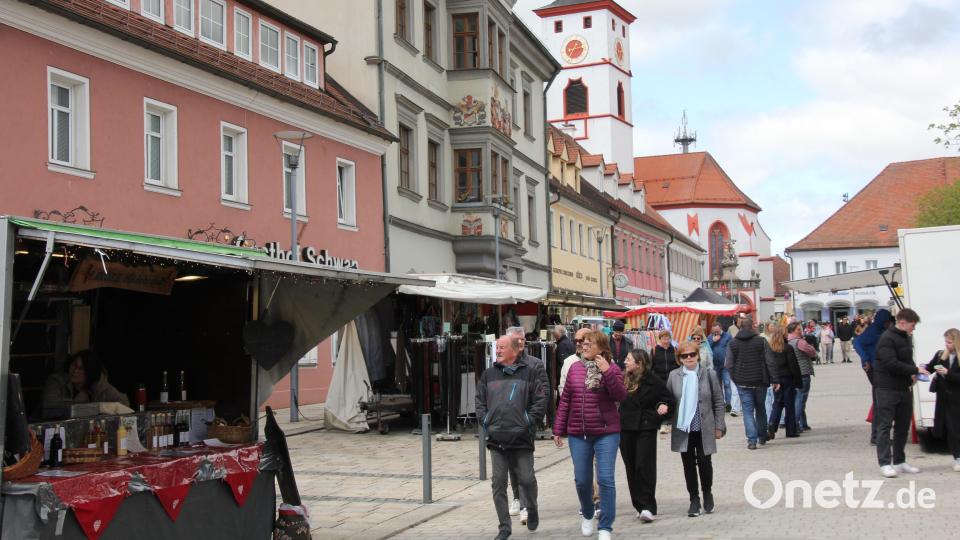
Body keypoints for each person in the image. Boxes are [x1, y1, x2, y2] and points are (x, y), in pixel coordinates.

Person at [553, 331, 627, 540]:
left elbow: (620, 395)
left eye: (588, 344)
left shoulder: (612, 368)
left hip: (606, 432)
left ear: (601, 348)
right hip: (579, 433)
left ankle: (605, 526)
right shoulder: (575, 368)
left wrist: (607, 372)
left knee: (605, 479)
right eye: (582, 344)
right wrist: (558, 429)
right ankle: (587, 513)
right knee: (582, 480)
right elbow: (566, 401)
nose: (583, 346)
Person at [476, 335, 547, 539]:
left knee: (527, 479)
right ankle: (504, 528)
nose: (497, 350)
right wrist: (486, 421)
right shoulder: (488, 374)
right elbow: (479, 401)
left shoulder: (529, 373)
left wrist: (527, 421)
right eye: (496, 347)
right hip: (496, 438)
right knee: (498, 483)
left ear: (515, 351)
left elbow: (540, 401)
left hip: (521, 437)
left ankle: (531, 508)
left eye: (502, 347)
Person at [666, 340, 726, 517]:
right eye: (684, 355)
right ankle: (694, 499)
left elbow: (719, 401)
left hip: (704, 427)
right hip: (683, 428)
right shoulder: (674, 376)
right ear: (679, 358)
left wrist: (719, 426)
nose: (689, 358)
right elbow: (668, 400)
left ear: (698, 355)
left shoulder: (709, 374)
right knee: (688, 464)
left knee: (705, 462)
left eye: (692, 354)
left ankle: (707, 492)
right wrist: (664, 417)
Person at [619, 349, 673, 523]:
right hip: (625, 428)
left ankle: (648, 506)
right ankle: (638, 505)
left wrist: (662, 409)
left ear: (639, 363)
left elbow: (668, 400)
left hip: (645, 427)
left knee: (644, 466)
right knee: (631, 467)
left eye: (628, 359)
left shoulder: (653, 380)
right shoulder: (622, 379)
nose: (625, 362)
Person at [874, 308, 929, 478]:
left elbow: (907, 359)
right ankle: (885, 463)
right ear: (903, 323)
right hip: (887, 388)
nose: (914, 329)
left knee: (902, 426)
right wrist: (914, 369)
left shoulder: (905, 337)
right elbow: (890, 363)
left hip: (904, 387)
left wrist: (913, 374)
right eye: (912, 325)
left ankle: (899, 461)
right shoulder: (887, 338)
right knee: (884, 426)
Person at [504, 327, 549, 524]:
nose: (520, 342)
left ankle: (526, 505)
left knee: (525, 467)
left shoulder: (535, 363)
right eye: (516, 339)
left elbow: (544, 392)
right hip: (506, 423)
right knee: (511, 463)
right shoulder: (502, 363)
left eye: (522, 339)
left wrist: (532, 417)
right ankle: (516, 497)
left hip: (525, 422)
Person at [725, 317, 779, 449]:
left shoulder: (733, 343)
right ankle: (762, 436)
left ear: (740, 327)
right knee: (760, 409)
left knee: (747, 411)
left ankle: (751, 440)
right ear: (753, 326)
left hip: (742, 381)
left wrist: (735, 378)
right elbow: (770, 361)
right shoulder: (761, 341)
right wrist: (775, 379)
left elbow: (729, 364)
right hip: (760, 380)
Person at [42, 350, 129, 418]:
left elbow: (124, 403)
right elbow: (49, 407)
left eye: (81, 368)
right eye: (74, 365)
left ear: (89, 372)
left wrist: (103, 410)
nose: (75, 371)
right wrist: (90, 406)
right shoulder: (56, 381)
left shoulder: (99, 385)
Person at [854, 309, 892, 444]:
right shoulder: (874, 330)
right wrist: (865, 359)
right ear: (884, 321)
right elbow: (857, 342)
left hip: (877, 368)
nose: (889, 324)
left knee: (879, 401)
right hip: (874, 369)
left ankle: (877, 435)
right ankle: (877, 435)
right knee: (880, 402)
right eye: (887, 321)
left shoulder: (879, 330)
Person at [925, 328, 960, 472]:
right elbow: (930, 367)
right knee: (951, 430)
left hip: (957, 398)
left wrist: (948, 373)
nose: (947, 345)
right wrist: (920, 370)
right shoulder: (941, 355)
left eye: (950, 342)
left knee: (957, 428)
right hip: (944, 399)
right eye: (946, 342)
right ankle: (957, 457)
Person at [766, 324, 802, 440]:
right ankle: (791, 430)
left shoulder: (770, 348)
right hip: (787, 378)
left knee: (777, 402)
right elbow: (793, 366)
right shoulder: (787, 348)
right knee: (789, 405)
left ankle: (772, 423)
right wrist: (798, 381)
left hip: (776, 379)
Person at [787, 322, 818, 433]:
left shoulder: (787, 341)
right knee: (801, 399)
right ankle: (794, 424)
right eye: (798, 329)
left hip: (792, 373)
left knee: (797, 399)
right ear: (793, 330)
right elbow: (812, 352)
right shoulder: (800, 342)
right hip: (803, 372)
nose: (800, 331)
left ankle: (803, 423)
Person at [652, 331, 678, 433]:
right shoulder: (655, 350)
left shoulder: (674, 349)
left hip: (672, 379)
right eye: (664, 338)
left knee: (672, 400)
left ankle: (671, 422)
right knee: (661, 401)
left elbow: (678, 364)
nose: (666, 341)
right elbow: (651, 365)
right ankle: (662, 423)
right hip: (659, 380)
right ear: (660, 339)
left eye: (667, 338)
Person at [708, 323, 737, 415]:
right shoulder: (710, 337)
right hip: (715, 365)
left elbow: (730, 348)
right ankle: (721, 403)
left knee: (727, 384)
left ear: (721, 328)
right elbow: (707, 348)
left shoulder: (727, 336)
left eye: (717, 330)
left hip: (725, 365)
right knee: (718, 385)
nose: (715, 332)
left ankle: (728, 404)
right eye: (714, 331)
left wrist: (728, 360)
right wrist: (713, 341)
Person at [559, 327, 591, 396]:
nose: (577, 343)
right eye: (575, 341)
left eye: (581, 340)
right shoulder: (568, 361)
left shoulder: (602, 361)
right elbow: (563, 388)